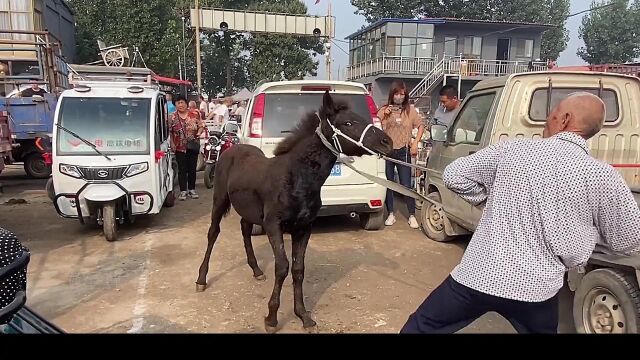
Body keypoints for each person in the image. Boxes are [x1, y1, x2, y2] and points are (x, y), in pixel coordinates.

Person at [400, 92, 640, 334]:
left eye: (552, 113)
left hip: (481, 275)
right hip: (537, 290)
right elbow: (628, 239)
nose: (547, 119)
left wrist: (487, 200)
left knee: (421, 327)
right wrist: (586, 233)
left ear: (565, 119)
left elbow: (453, 175)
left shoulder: (513, 150)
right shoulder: (603, 176)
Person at [377, 80, 425, 229]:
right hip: (388, 151)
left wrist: (416, 142)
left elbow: (421, 125)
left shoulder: (410, 110)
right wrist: (384, 116)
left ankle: (411, 215)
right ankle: (391, 213)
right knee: (389, 184)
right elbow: (376, 127)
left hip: (404, 151)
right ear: (392, 94)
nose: (399, 97)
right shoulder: (384, 110)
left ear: (406, 95)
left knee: (406, 184)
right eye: (396, 94)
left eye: (402, 94)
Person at [169, 95, 205, 201]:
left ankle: (192, 189)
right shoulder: (172, 117)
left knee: (192, 168)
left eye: (182, 102)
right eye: (178, 103)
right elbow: (170, 132)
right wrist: (172, 143)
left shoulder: (194, 114)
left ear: (186, 103)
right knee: (182, 169)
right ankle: (183, 191)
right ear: (175, 105)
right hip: (179, 147)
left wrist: (198, 133)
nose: (180, 105)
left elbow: (201, 126)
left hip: (193, 145)